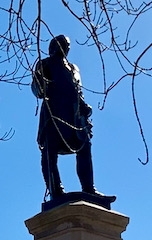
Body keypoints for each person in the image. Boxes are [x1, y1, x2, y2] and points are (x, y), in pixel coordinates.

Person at [32, 35, 103, 202]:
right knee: (50, 152)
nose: (64, 48)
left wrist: (84, 106)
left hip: (74, 114)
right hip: (54, 112)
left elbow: (77, 89)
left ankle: (89, 188)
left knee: (84, 146)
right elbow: (37, 90)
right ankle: (56, 190)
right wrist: (40, 83)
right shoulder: (45, 64)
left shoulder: (73, 68)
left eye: (66, 45)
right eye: (60, 44)